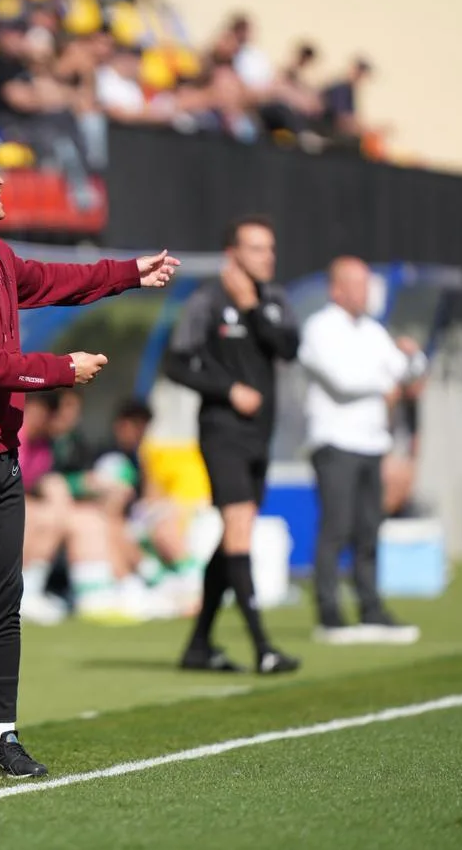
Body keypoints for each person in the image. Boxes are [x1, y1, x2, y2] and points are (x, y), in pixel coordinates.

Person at [0, 133, 179, 779]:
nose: (1, 182)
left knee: (2, 599)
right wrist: (59, 370)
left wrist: (128, 273)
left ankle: (2, 738)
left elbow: (51, 280)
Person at [162, 214, 300, 676]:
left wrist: (253, 308)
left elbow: (288, 348)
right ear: (232, 254)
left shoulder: (274, 299)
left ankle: (199, 646)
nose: (268, 257)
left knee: (233, 537)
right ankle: (263, 647)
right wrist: (228, 390)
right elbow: (175, 364)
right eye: (257, 248)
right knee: (238, 526)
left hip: (261, 436)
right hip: (222, 432)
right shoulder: (206, 301)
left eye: (270, 248)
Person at [297, 256, 425, 645]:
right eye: (356, 284)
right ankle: (330, 614)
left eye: (367, 284)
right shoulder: (319, 328)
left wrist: (411, 356)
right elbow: (343, 381)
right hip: (335, 442)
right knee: (336, 528)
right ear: (336, 289)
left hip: (373, 443)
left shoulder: (373, 331)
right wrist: (386, 377)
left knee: (369, 529)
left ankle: (371, 607)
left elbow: (407, 370)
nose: (364, 292)